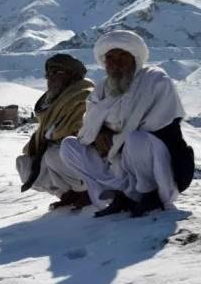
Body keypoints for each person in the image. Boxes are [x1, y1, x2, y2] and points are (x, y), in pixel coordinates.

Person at [60, 30, 195, 217]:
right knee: (69, 146)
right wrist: (99, 133)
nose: (116, 63)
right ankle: (120, 193)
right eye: (110, 57)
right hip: (114, 157)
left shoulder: (155, 80)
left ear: (135, 58)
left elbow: (155, 126)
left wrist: (112, 139)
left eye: (122, 55)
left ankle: (151, 194)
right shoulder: (102, 89)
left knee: (136, 139)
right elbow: (88, 127)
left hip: (154, 157)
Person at [16, 54, 95, 209]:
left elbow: (81, 128)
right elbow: (46, 132)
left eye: (58, 72)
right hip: (58, 150)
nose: (51, 77)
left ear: (72, 75)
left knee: (54, 154)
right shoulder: (54, 102)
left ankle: (87, 191)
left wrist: (53, 136)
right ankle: (67, 194)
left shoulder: (84, 94)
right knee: (24, 164)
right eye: (49, 73)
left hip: (86, 153)